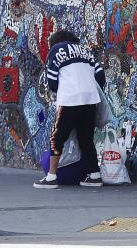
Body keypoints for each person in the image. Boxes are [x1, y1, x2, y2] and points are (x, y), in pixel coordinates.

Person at [35, 29, 106, 189]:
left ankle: (51, 177)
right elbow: (100, 74)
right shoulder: (85, 51)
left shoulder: (56, 49)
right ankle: (94, 176)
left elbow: (52, 81)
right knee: (86, 138)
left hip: (70, 98)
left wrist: (64, 88)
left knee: (57, 138)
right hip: (91, 98)